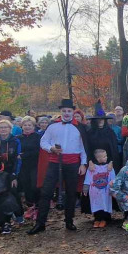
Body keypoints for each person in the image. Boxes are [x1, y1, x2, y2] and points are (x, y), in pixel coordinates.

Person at [29, 99, 88, 234]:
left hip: (73, 163)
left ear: (73, 112)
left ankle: (69, 221)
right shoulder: (52, 126)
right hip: (55, 162)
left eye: (69, 111)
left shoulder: (80, 127)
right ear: (60, 112)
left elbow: (84, 147)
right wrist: (51, 149)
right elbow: (43, 141)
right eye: (64, 111)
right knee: (46, 192)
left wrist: (83, 163)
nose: (66, 113)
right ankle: (40, 223)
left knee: (71, 193)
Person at [84, 148, 116, 228]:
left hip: (105, 191)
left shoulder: (109, 167)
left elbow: (113, 179)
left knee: (105, 204)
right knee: (96, 204)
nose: (106, 158)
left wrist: (113, 189)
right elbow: (88, 178)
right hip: (95, 192)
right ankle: (97, 219)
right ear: (98, 158)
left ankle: (104, 219)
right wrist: (85, 188)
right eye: (104, 157)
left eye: (106, 156)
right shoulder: (92, 168)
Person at [17, 116, 42, 213]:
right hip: (22, 166)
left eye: (29, 125)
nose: (27, 127)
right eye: (25, 125)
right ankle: (30, 205)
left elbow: (38, 151)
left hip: (34, 164)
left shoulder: (38, 137)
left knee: (34, 185)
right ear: (22, 126)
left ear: (33, 126)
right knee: (26, 185)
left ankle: (38, 205)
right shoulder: (18, 138)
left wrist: (24, 155)